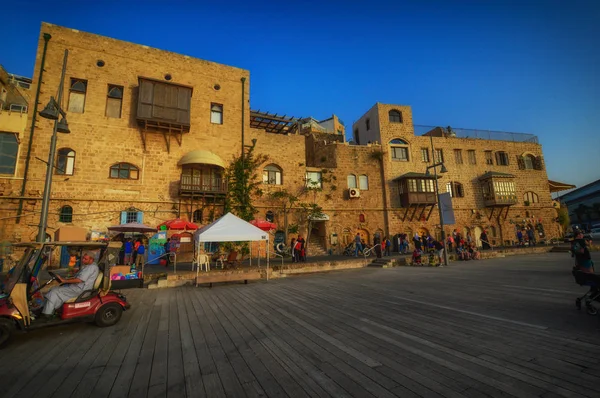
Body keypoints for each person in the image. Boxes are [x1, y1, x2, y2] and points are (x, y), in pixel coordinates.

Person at [40, 251, 100, 319]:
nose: (83, 260)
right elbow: (79, 277)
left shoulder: (91, 268)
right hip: (76, 287)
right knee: (54, 289)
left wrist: (64, 281)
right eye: (83, 258)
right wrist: (67, 278)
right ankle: (51, 309)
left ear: (91, 259)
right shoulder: (89, 266)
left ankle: (47, 314)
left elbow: (79, 280)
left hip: (80, 290)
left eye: (85, 259)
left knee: (54, 291)